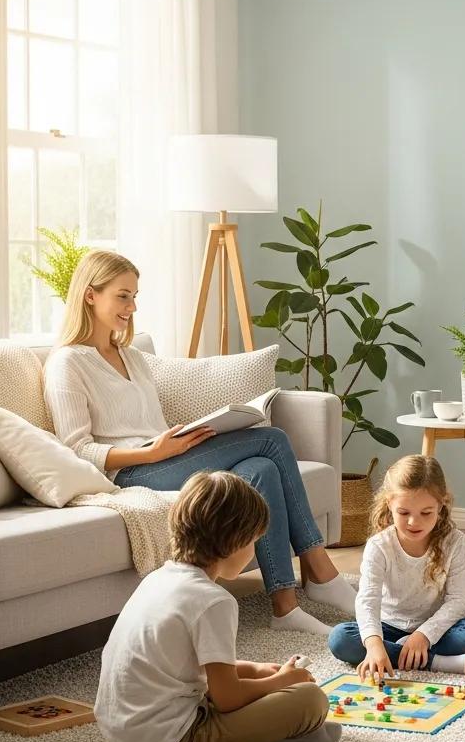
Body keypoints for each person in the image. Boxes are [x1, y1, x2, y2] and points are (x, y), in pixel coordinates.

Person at [44, 249, 356, 635]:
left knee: (260, 469)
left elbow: (148, 423)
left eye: (135, 296)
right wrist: (151, 452)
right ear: (90, 295)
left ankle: (285, 606)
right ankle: (322, 572)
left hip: (163, 456)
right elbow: (76, 449)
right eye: (122, 295)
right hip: (127, 473)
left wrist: (185, 436)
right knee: (272, 440)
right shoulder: (67, 363)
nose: (132, 306)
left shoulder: (132, 356)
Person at [94, 470, 342, 742]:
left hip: (120, 733)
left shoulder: (158, 579)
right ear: (234, 541)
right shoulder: (214, 601)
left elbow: (183, 665)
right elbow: (228, 697)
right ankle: (272, 740)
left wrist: (258, 669)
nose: (253, 552)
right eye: (253, 541)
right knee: (310, 700)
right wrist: (279, 682)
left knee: (263, 691)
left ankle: (268, 731)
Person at [327, 455, 465, 677]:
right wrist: (375, 645)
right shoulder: (379, 545)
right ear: (389, 505)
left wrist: (423, 635)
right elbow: (367, 600)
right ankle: (436, 662)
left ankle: (403, 653)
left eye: (426, 513)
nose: (414, 522)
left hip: (434, 629)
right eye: (404, 513)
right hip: (388, 627)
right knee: (341, 639)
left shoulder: (454, 541)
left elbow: (459, 601)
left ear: (441, 504)